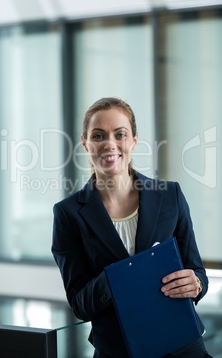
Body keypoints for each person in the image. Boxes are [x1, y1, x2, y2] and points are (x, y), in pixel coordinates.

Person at [52, 97, 211, 358]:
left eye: (120, 134)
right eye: (98, 135)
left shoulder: (170, 195)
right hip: (117, 350)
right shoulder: (68, 214)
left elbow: (197, 271)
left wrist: (196, 284)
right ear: (85, 143)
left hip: (182, 346)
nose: (109, 144)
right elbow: (80, 304)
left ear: (134, 140)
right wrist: (124, 275)